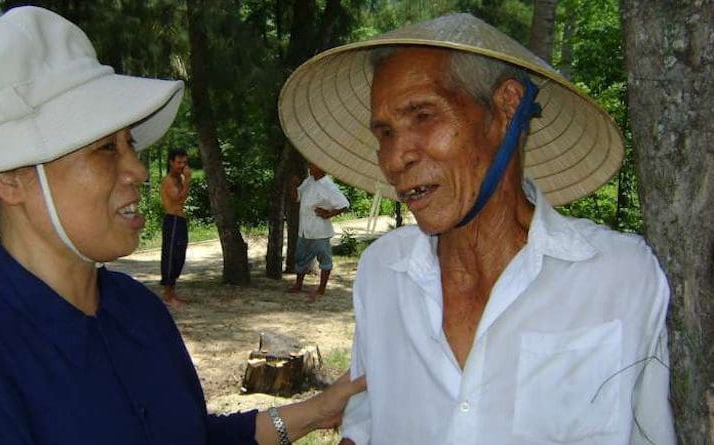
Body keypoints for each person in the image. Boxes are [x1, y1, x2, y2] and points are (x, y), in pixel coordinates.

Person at [0, 7, 365, 445]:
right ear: (11, 177)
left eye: (128, 143)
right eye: (106, 149)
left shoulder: (137, 310)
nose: (139, 170)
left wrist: (317, 410)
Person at [278, 13, 674, 445]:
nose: (393, 160)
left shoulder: (619, 277)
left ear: (507, 106)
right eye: (385, 132)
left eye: (423, 115)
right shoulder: (383, 273)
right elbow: (365, 427)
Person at [286, 163, 349, 300]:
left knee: (324, 259)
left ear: (321, 168)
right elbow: (295, 198)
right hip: (305, 229)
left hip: (320, 231)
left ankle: (321, 288)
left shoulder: (328, 185)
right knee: (301, 258)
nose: (309, 167)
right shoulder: (309, 181)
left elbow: (344, 205)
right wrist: (293, 185)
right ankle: (298, 285)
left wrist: (329, 214)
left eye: (313, 166)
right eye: (309, 165)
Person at [160, 149, 192, 305]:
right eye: (179, 162)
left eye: (184, 163)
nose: (182, 166)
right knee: (171, 255)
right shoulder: (169, 181)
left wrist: (184, 180)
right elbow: (178, 198)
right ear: (171, 162)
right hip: (172, 220)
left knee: (179, 255)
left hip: (179, 220)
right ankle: (167, 293)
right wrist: (188, 180)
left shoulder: (179, 178)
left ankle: (172, 291)